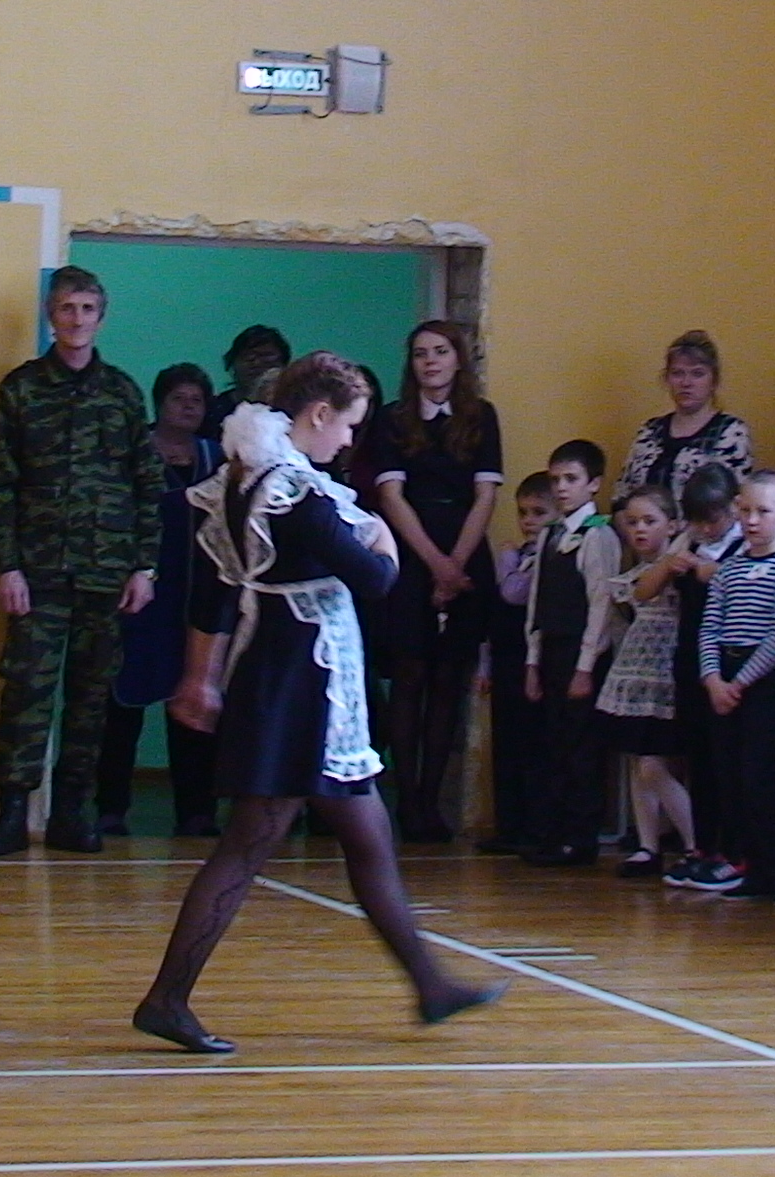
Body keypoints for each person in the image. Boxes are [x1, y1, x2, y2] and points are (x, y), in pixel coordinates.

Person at [133, 353, 504, 1052]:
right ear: (320, 413)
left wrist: (201, 675)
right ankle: (167, 998)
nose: (350, 441)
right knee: (248, 844)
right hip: (299, 680)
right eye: (349, 426)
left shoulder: (242, 478)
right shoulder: (292, 490)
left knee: (368, 836)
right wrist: (385, 538)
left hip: (295, 674)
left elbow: (215, 595)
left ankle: (430, 985)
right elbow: (375, 579)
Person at [0, 266, 158, 857]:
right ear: (50, 316)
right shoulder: (21, 389)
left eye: (87, 309)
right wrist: (7, 565)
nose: (76, 319)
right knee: (26, 691)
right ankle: (12, 812)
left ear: (101, 318)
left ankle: (73, 812)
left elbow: (146, 483)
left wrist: (144, 567)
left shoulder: (123, 393)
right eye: (66, 308)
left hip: (107, 573)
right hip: (39, 572)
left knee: (90, 698)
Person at [362, 321, 505, 843]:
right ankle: (406, 800)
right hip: (410, 552)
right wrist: (435, 564)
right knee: (409, 677)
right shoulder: (393, 419)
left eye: (440, 352)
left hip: (464, 552)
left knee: (449, 680)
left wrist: (456, 565)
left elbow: (485, 496)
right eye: (421, 353)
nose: (430, 362)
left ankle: (431, 801)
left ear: (458, 359)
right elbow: (391, 497)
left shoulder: (481, 416)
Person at [101, 363, 222, 839]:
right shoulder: (136, 452)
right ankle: (110, 807)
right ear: (159, 403)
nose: (189, 407)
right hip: (139, 592)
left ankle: (196, 810)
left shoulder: (216, 456)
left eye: (197, 400)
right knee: (121, 703)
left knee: (192, 699)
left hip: (197, 594)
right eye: (179, 398)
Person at [697, 471, 775, 905]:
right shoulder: (730, 567)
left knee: (759, 781)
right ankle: (754, 868)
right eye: (744, 510)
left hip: (763, 681)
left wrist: (740, 681)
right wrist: (713, 679)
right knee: (731, 780)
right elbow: (710, 626)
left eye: (763, 512)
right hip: (724, 679)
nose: (751, 520)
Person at [520, 439, 622, 867]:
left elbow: (601, 603)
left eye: (571, 479)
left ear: (594, 484)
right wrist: (532, 661)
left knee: (582, 748)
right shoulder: (550, 534)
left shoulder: (598, 535)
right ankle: (553, 831)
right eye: (556, 479)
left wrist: (585, 666)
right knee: (555, 745)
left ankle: (580, 837)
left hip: (582, 654)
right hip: (552, 650)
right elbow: (536, 603)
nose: (561, 487)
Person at [593, 486, 700, 879]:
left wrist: (678, 549)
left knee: (654, 765)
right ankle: (647, 845)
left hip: (667, 672)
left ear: (672, 525)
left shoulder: (680, 563)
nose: (639, 530)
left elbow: (648, 590)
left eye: (649, 521)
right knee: (639, 763)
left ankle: (695, 844)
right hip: (636, 670)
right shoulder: (641, 569)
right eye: (632, 522)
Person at [659, 464, 747, 893]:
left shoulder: (745, 549)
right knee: (700, 761)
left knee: (728, 763)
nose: (707, 529)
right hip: (690, 663)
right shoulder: (690, 545)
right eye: (699, 521)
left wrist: (716, 574)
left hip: (729, 670)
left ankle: (734, 852)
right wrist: (674, 566)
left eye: (714, 519)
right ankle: (703, 847)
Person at [476, 474, 556, 856]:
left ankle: (536, 827)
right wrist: (485, 666)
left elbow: (513, 592)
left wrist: (508, 562)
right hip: (506, 658)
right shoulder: (521, 555)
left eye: (539, 513)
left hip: (534, 662)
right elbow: (494, 615)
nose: (528, 521)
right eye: (523, 513)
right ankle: (509, 825)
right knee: (506, 747)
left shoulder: (547, 557)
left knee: (534, 748)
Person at [614, 330, 753, 501]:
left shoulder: (730, 432)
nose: (686, 383)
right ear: (667, 379)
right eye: (677, 373)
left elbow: (734, 503)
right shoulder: (649, 431)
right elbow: (622, 495)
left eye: (697, 374)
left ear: (714, 381)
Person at [206, 323, 290, 425]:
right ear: (232, 364)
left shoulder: (297, 408)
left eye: (265, 356)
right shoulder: (211, 411)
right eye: (248, 357)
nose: (257, 363)